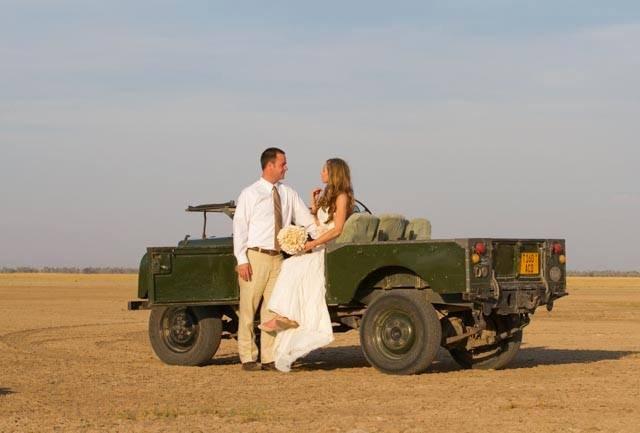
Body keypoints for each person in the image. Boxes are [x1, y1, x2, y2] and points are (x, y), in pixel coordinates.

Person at [260, 158, 355, 372]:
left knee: (292, 266)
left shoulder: (342, 197)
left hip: (328, 251)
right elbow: (322, 224)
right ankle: (287, 315)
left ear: (333, 173)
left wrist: (312, 243)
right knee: (292, 265)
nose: (321, 173)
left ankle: (289, 315)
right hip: (320, 246)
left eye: (324, 170)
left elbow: (337, 229)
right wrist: (314, 207)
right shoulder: (328, 196)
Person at [233, 148, 317, 372]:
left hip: (278, 258)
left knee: (272, 310)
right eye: (283, 163)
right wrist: (242, 259)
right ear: (270, 165)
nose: (286, 167)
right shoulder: (250, 194)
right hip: (255, 257)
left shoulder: (288, 193)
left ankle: (269, 357)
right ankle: (248, 356)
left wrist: (322, 238)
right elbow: (239, 227)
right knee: (248, 308)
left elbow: (306, 220)